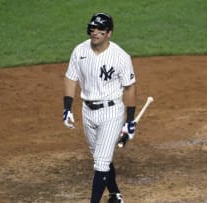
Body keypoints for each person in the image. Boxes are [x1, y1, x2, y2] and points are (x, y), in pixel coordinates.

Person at [62, 12, 136, 203]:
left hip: (111, 112)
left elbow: (129, 87)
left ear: (109, 33)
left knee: (101, 162)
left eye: (100, 29)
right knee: (101, 157)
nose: (95, 32)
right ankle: (115, 195)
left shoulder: (120, 57)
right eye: (93, 28)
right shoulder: (80, 51)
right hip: (87, 111)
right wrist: (67, 108)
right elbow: (71, 78)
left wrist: (129, 121)